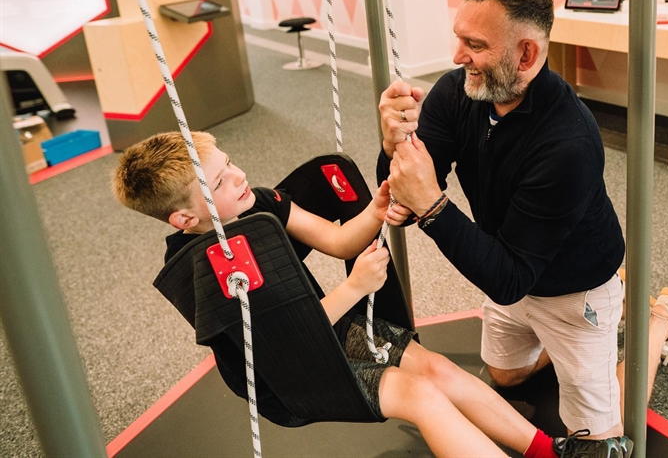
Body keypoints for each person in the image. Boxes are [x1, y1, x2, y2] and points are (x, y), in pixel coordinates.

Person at [112, 130, 600, 458]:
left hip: (329, 328)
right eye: (220, 180)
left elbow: (337, 239)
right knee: (420, 394)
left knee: (435, 367)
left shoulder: (253, 202)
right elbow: (286, 343)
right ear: (183, 219)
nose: (239, 176)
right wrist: (355, 286)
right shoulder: (206, 270)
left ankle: (548, 450)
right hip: (289, 377)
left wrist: (376, 209)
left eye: (229, 163)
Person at [378, 0, 668, 452]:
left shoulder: (569, 140)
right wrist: (392, 143)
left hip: (572, 287)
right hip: (511, 266)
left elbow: (506, 277)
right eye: (459, 38)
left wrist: (433, 208)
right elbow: (404, 186)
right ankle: (609, 311)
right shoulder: (457, 91)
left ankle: (660, 321)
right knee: (505, 376)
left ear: (526, 54)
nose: (459, 55)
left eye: (476, 45)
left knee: (603, 444)